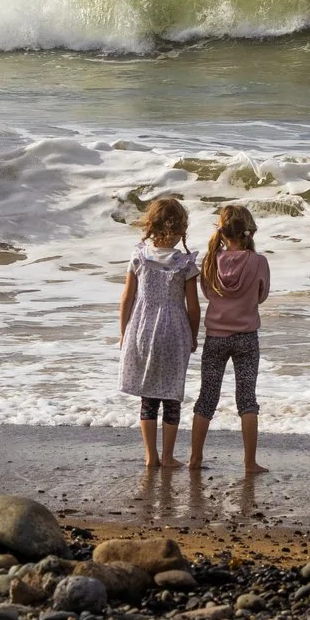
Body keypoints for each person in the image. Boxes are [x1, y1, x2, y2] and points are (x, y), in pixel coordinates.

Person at [117, 196, 200, 469]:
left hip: (141, 328)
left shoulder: (139, 256)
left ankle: (150, 456)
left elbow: (127, 299)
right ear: (179, 230)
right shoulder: (184, 263)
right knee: (171, 395)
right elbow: (194, 307)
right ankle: (168, 456)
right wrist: (194, 335)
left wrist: (123, 333)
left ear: (151, 225)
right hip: (174, 331)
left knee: (148, 397)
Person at [190, 202, 270, 476]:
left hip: (215, 337)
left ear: (222, 232)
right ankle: (250, 464)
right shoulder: (259, 262)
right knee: (247, 400)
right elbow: (261, 295)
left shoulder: (210, 260)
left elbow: (207, 293)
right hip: (247, 337)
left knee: (206, 399)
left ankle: (195, 459)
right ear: (249, 232)